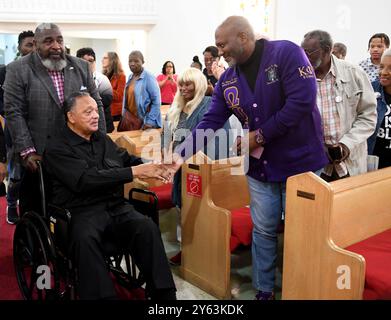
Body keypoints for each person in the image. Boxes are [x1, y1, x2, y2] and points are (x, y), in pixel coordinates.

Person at [170, 16, 328, 300]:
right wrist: (180, 154)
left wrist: (259, 136)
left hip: (301, 165)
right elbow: (210, 121)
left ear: (243, 37)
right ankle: (263, 290)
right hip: (261, 168)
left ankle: (302, 289)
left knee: (303, 234)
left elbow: (301, 102)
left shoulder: (286, 53)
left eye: (223, 45)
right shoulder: (227, 80)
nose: (220, 53)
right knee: (264, 231)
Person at [43, 91, 176, 300]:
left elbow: (126, 159)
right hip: (80, 212)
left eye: (96, 111)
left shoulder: (102, 140)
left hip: (114, 207)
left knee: (146, 226)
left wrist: (153, 165)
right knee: (85, 238)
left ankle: (164, 296)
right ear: (71, 117)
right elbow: (85, 180)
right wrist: (135, 172)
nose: (96, 115)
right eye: (88, 112)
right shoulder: (56, 148)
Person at [3, 23, 106, 216]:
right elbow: (14, 112)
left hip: (77, 153)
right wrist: (27, 151)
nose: (56, 46)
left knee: (74, 212)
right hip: (38, 156)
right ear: (36, 44)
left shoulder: (80, 66)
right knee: (35, 211)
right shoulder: (18, 69)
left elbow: (97, 104)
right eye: (48, 41)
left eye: (59, 40)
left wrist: (101, 141)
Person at [302, 30, 377, 181]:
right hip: (316, 165)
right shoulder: (300, 77)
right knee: (316, 203)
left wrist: (346, 144)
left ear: (328, 50)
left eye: (309, 52)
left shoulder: (354, 73)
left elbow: (368, 116)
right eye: (302, 51)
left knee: (350, 203)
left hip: (350, 163)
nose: (304, 56)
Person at [0, 30, 35, 223]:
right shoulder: (8, 70)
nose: (32, 49)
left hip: (36, 131)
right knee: (16, 175)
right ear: (20, 47)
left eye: (35, 45)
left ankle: (30, 208)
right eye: (28, 45)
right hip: (14, 131)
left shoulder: (42, 71)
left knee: (34, 173)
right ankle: (12, 204)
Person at [76, 47, 114, 132]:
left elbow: (107, 100)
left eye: (91, 61)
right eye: (83, 61)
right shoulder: (73, 80)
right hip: (81, 125)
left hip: (102, 123)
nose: (87, 64)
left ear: (95, 62)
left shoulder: (102, 79)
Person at [121, 50, 161, 130]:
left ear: (142, 62)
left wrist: (150, 121)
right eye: (130, 61)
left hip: (145, 123)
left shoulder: (148, 77)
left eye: (136, 61)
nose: (132, 63)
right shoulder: (130, 77)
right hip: (132, 121)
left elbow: (156, 101)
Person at [368, 48, 391, 168]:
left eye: (390, 68)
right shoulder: (370, 90)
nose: (384, 72)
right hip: (374, 162)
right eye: (381, 67)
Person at [102, 51, 126, 121]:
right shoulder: (103, 75)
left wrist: (106, 88)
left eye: (105, 58)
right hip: (104, 111)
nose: (102, 60)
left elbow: (119, 96)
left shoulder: (121, 76)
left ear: (112, 60)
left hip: (115, 114)